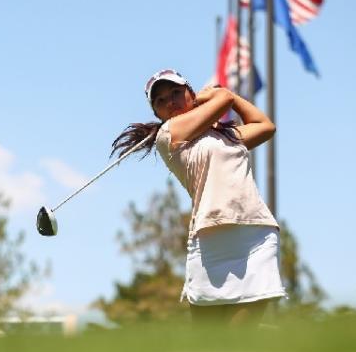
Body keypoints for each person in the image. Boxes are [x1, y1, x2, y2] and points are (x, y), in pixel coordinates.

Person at [111, 68, 287, 327]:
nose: (170, 101)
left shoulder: (226, 136)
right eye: (161, 100)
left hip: (255, 236)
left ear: (191, 94)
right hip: (210, 241)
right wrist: (221, 94)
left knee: (240, 339)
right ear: (158, 114)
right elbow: (225, 100)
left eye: (176, 92)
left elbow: (266, 126)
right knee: (208, 344)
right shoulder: (168, 135)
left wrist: (225, 97)